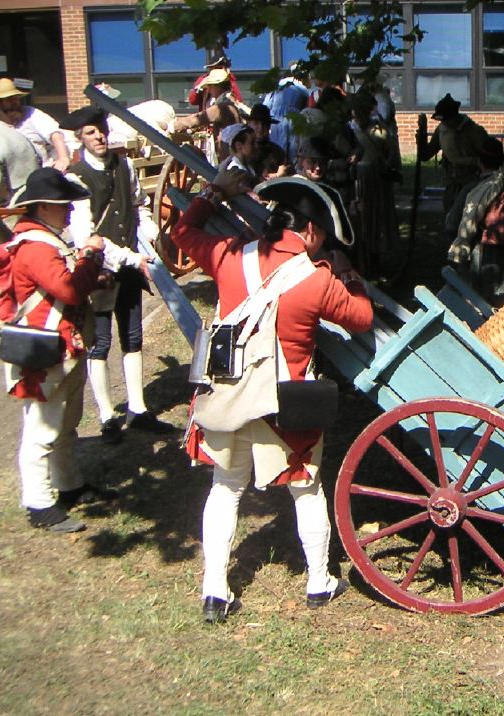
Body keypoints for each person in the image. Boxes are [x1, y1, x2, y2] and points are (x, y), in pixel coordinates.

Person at [171, 170, 373, 623]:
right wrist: (351, 278)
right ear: (310, 231)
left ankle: (214, 589)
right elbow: (360, 317)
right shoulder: (317, 280)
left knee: (225, 489)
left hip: (229, 394)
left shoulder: (228, 257)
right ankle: (319, 580)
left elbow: (182, 232)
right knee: (306, 489)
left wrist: (214, 192)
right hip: (285, 403)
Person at [2, 168, 111, 533]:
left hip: (65, 344)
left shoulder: (46, 241)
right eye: (63, 206)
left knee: (64, 424)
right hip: (45, 348)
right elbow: (67, 291)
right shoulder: (35, 247)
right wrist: (91, 258)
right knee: (42, 428)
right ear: (44, 207)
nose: (68, 213)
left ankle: (68, 485)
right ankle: (38, 502)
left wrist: (91, 273)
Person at [59, 105, 172, 444]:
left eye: (101, 130)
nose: (99, 136)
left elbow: (137, 205)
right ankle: (108, 416)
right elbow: (85, 237)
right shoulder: (76, 178)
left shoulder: (123, 165)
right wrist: (128, 258)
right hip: (102, 271)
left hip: (131, 265)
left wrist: (150, 233)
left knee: (133, 337)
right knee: (100, 343)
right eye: (91, 133)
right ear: (80, 139)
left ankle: (137, 408)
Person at [447, 137, 504, 302]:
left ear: (480, 162)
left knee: (478, 299)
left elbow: (452, 223)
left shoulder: (474, 189)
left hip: (483, 252)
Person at [417, 94, 491, 240]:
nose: (444, 122)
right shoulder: (442, 130)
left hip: (472, 180)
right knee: (451, 217)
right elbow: (426, 155)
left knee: (469, 219)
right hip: (451, 180)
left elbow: (488, 157)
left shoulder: (473, 131)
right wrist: (421, 139)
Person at [348, 91, 398, 277]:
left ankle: (374, 263)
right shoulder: (350, 129)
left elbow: (387, 153)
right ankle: (362, 262)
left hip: (373, 179)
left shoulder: (378, 130)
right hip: (357, 179)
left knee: (375, 221)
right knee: (360, 221)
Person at [0, 78, 70, 172]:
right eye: (9, 100)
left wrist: (63, 158)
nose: (15, 102)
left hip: (42, 171)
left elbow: (55, 134)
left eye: (16, 98)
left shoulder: (31, 113)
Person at [173, 68, 243, 164]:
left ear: (218, 86)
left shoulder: (222, 107)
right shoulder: (230, 101)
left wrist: (173, 125)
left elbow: (198, 119)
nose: (208, 90)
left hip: (231, 157)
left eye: (210, 86)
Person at [261, 67, 310, 158]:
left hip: (274, 121)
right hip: (292, 119)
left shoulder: (275, 88)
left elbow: (266, 105)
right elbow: (307, 108)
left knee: (276, 149)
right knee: (292, 150)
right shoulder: (301, 88)